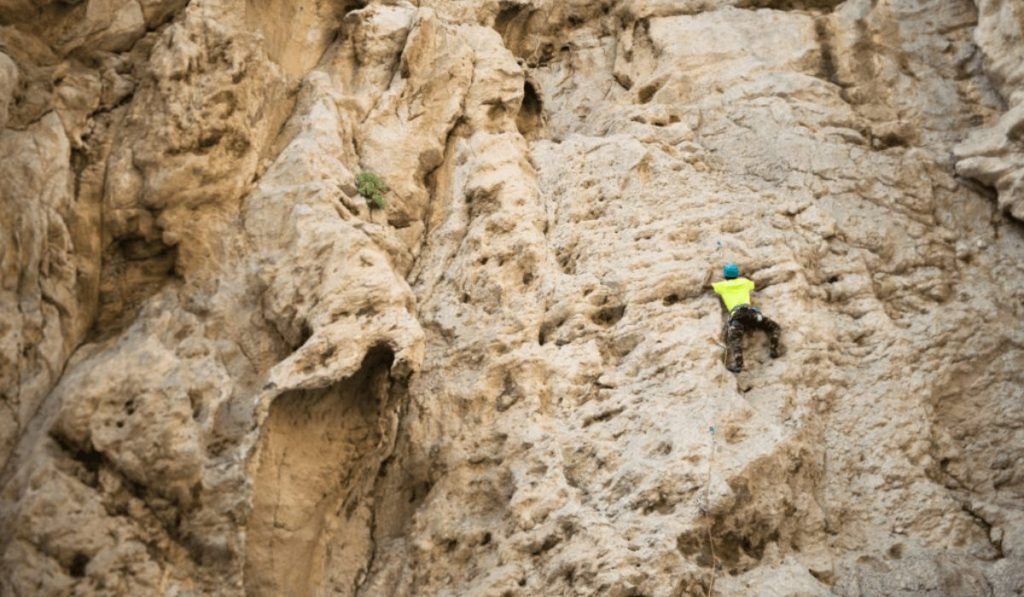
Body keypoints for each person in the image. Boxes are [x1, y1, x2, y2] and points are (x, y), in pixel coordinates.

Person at [711, 263, 781, 373]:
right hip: (750, 313)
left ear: (725, 276)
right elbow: (752, 284)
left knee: (734, 338)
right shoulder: (744, 282)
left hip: (737, 316)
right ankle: (773, 349)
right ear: (737, 274)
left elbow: (711, 287)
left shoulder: (721, 286)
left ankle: (739, 365)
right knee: (774, 327)